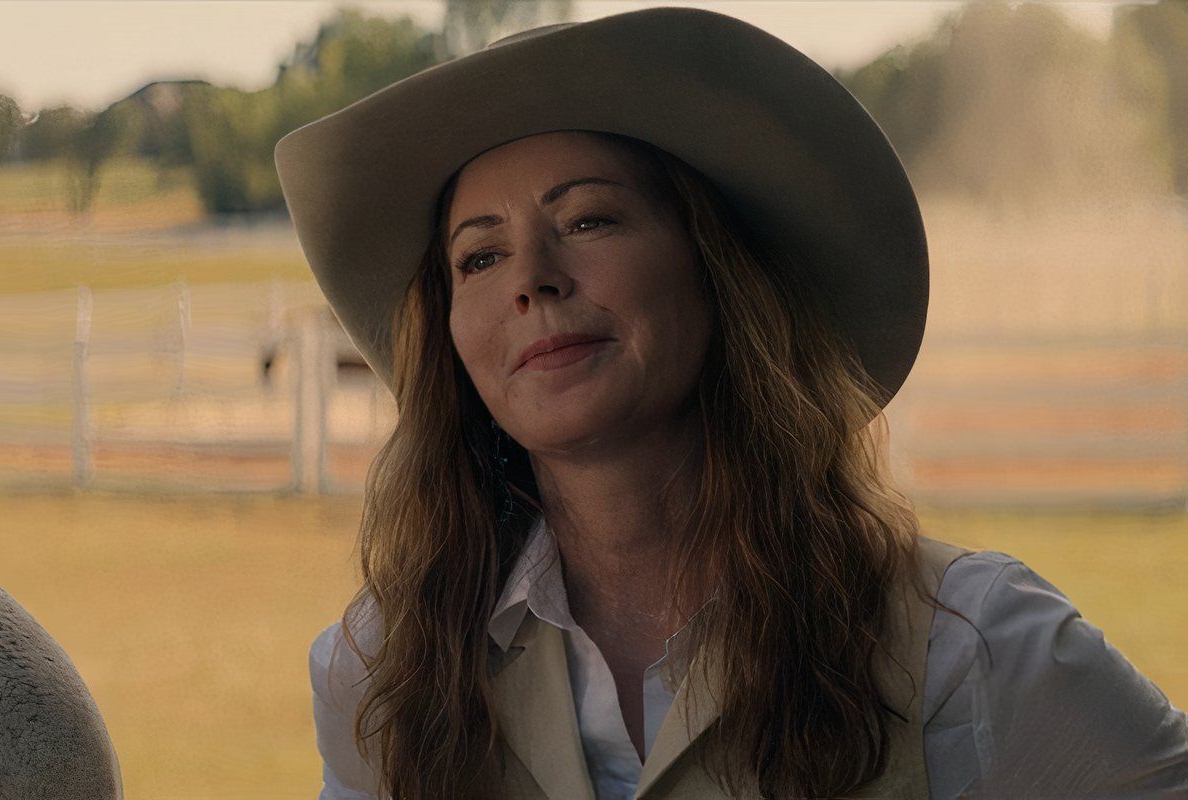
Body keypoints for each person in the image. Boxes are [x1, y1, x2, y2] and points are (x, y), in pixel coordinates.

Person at [273, 8, 1188, 800]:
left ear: (717, 268)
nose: (532, 282)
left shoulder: (971, 647)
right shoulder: (381, 674)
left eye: (588, 219)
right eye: (479, 256)